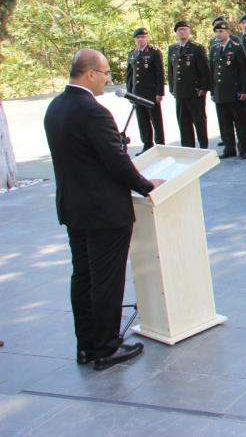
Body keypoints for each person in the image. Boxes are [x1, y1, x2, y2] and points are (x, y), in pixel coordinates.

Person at [44, 49, 164, 371]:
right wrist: (146, 185)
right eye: (106, 72)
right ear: (90, 74)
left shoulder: (55, 107)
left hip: (74, 207)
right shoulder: (93, 111)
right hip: (104, 212)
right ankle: (106, 348)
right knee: (106, 280)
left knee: (82, 277)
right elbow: (115, 162)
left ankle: (86, 346)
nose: (109, 79)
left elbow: (85, 155)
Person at [208, 21, 246, 159]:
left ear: (228, 32)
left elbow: (243, 71)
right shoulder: (214, 49)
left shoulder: (236, 47)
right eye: (216, 32)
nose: (218, 34)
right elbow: (212, 71)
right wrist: (212, 91)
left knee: (240, 122)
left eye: (221, 31)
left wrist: (245, 90)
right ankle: (229, 148)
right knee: (224, 123)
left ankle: (243, 149)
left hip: (235, 92)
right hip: (220, 93)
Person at [167, 20, 210, 149]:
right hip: (180, 92)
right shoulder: (173, 48)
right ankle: (187, 146)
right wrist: (172, 88)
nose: (182, 32)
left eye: (184, 29)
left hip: (194, 91)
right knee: (183, 121)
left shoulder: (196, 48)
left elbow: (204, 69)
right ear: (176, 33)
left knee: (199, 120)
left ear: (189, 31)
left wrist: (203, 87)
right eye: (179, 30)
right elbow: (171, 70)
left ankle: (203, 146)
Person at [125, 27, 165, 154]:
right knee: (142, 120)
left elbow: (160, 73)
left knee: (156, 120)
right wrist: (130, 94)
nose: (141, 39)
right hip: (137, 93)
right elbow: (129, 76)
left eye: (143, 37)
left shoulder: (154, 52)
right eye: (138, 37)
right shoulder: (132, 53)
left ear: (147, 38)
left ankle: (160, 145)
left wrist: (159, 92)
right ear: (135, 39)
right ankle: (147, 145)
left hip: (151, 93)